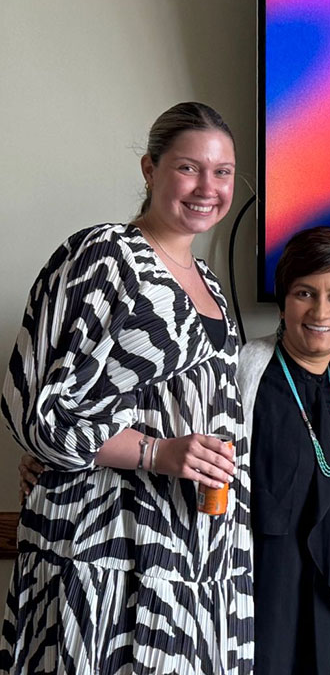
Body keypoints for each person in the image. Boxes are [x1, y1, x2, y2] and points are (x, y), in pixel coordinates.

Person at [0, 103, 252, 674]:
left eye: (223, 171)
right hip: (106, 549)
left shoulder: (208, 278)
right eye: (189, 168)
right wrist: (155, 452)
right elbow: (39, 412)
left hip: (194, 553)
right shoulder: (104, 256)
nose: (207, 187)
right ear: (149, 169)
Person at [242, 227, 330, 675]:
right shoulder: (243, 375)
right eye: (304, 293)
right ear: (282, 301)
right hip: (260, 597)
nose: (320, 311)